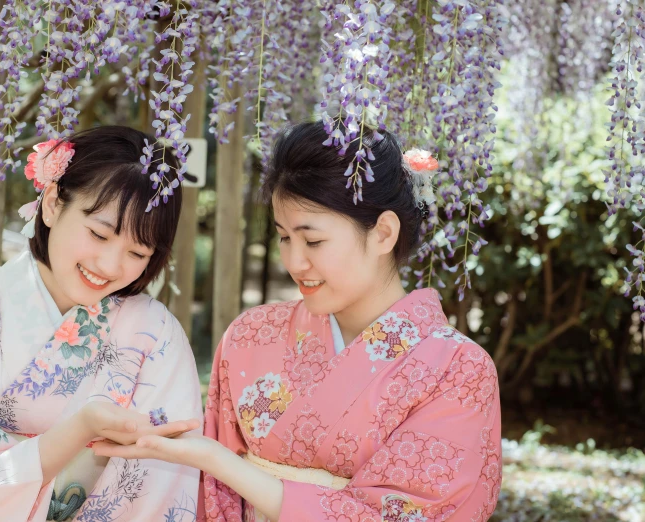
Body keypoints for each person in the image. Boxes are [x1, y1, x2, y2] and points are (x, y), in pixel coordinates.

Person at [94, 121, 503, 521]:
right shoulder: (251, 335)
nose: (294, 261)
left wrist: (216, 460)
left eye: (313, 240)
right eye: (284, 237)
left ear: (383, 233)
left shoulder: (459, 370)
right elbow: (213, 498)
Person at [0, 125, 203, 522]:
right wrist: (79, 429)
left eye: (137, 251)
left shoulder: (157, 335)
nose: (109, 266)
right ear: (53, 203)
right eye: (99, 233)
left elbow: (161, 489)